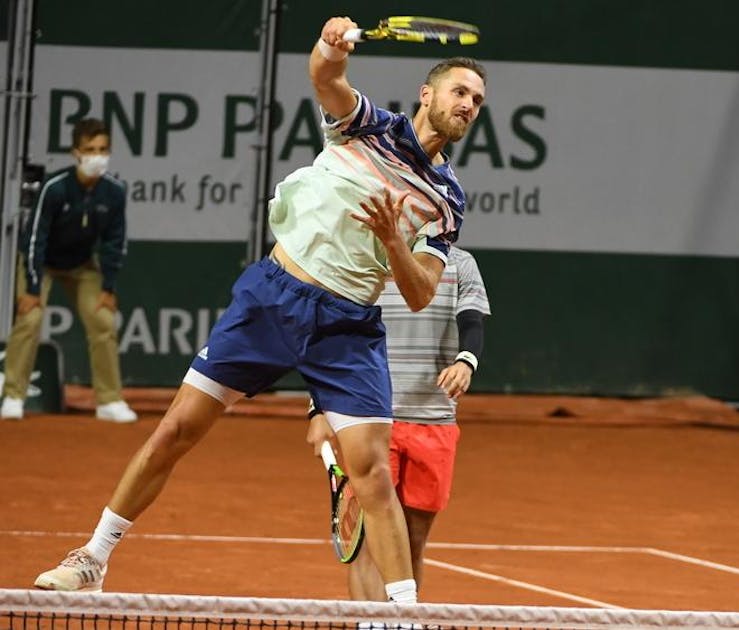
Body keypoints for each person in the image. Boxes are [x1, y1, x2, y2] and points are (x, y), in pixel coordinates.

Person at [33, 15, 487, 602]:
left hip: (347, 328)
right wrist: (329, 45)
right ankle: (93, 558)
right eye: (460, 92)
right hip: (274, 298)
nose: (470, 105)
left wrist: (395, 241)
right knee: (177, 429)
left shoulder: (446, 197)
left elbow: (423, 291)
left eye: (478, 100)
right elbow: (327, 79)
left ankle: (404, 615)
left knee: (372, 475)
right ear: (428, 94)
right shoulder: (371, 125)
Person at [308, 246, 490, 600]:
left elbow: (472, 321)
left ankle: (402, 620)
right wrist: (317, 408)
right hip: (371, 418)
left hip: (434, 421)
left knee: (412, 543)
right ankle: (370, 626)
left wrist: (466, 362)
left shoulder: (460, 264)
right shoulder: (363, 258)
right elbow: (331, 340)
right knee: (366, 544)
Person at [1, 118, 137, 423]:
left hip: (82, 266)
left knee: (103, 320)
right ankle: (13, 395)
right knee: (30, 317)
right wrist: (33, 289)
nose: (97, 156)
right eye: (90, 149)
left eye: (103, 149)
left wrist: (109, 287)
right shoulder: (54, 187)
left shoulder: (114, 192)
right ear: (76, 152)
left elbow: (115, 242)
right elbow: (34, 239)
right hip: (43, 264)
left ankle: (109, 400)